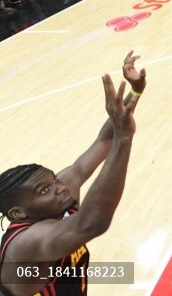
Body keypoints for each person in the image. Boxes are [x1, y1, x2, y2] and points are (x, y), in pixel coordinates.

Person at [0, 51, 145, 295]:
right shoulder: (26, 244)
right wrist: (126, 136)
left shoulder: (59, 196)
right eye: (44, 190)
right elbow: (92, 223)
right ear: (18, 213)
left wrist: (135, 91)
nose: (60, 186)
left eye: (54, 179)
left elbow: (104, 141)